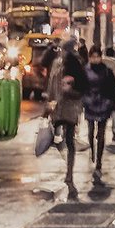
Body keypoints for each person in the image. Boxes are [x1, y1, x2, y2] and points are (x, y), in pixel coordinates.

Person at [46, 39, 86, 185]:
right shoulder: (57, 63)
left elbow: (83, 86)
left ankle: (69, 171)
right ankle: (68, 165)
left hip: (70, 107)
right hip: (57, 107)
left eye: (63, 49)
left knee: (69, 140)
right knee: (55, 139)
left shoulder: (76, 64)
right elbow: (51, 83)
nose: (61, 51)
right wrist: (49, 101)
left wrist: (71, 90)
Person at [82, 46, 115, 180]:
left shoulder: (107, 71)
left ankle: (99, 160)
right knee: (91, 132)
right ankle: (92, 151)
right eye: (93, 56)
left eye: (97, 56)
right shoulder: (85, 70)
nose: (95, 59)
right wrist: (84, 100)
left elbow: (112, 89)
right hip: (90, 104)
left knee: (101, 134)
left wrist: (110, 102)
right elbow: (82, 87)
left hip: (103, 104)